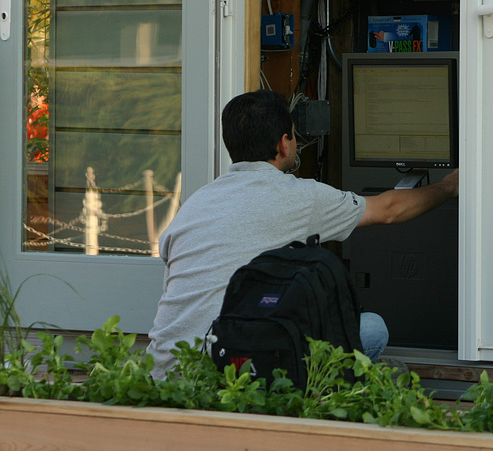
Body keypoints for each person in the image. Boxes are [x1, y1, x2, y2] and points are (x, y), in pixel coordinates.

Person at [146, 89, 458, 379]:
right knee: (372, 329)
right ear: (284, 143)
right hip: (235, 371)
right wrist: (448, 186)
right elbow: (389, 209)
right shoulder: (301, 197)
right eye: (294, 135)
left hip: (168, 371)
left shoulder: (195, 203)